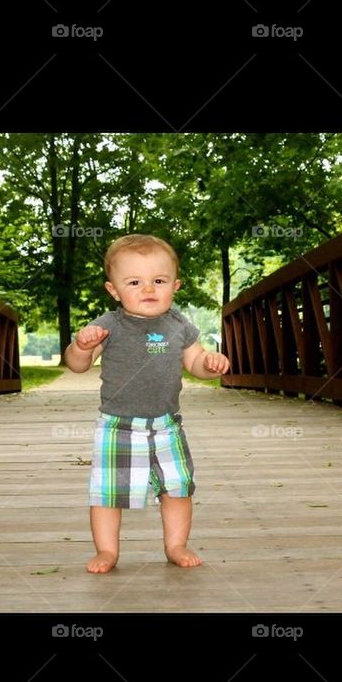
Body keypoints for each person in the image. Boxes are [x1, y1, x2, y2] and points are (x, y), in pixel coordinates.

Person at [62, 234, 230, 573]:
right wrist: (81, 346)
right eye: (135, 282)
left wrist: (210, 365)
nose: (148, 289)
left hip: (167, 425)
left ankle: (175, 544)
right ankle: (107, 551)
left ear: (175, 285)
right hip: (118, 425)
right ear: (113, 290)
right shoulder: (107, 326)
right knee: (108, 493)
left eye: (159, 281)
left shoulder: (179, 325)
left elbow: (195, 363)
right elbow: (77, 365)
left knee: (177, 488)